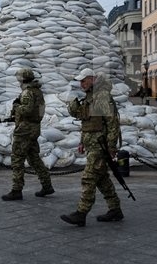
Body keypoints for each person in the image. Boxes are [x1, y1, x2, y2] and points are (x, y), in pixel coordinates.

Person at [60, 68, 123, 226]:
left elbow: (112, 123)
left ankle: (81, 213)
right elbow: (87, 122)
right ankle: (115, 209)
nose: (81, 84)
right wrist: (82, 141)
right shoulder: (90, 97)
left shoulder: (101, 96)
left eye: (84, 80)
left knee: (88, 178)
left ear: (92, 79)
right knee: (102, 180)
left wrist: (111, 146)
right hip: (92, 144)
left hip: (100, 147)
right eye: (80, 81)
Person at [2, 68, 54, 201]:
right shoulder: (38, 92)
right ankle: (47, 185)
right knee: (33, 158)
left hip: (24, 130)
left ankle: (16, 190)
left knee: (17, 159)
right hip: (34, 128)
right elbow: (38, 110)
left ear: (22, 79)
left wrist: (16, 107)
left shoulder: (27, 92)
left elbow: (27, 110)